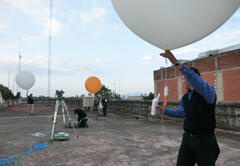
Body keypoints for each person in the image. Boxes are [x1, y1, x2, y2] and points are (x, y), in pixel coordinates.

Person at [158, 50, 220, 166]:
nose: (184, 79)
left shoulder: (208, 92)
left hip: (205, 142)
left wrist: (176, 63)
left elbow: (194, 78)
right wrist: (164, 110)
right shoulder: (185, 98)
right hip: (187, 140)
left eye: (185, 77)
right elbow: (181, 113)